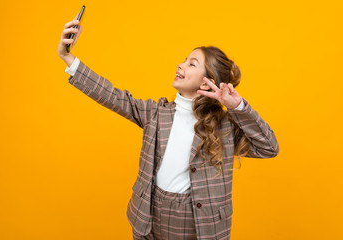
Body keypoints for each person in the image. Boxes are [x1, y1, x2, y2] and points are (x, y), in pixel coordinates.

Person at [58, 15, 280, 240]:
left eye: (191, 63)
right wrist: (68, 58)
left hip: (201, 225)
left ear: (206, 82)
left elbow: (268, 147)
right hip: (150, 218)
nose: (180, 65)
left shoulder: (224, 126)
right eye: (184, 60)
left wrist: (238, 107)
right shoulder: (156, 113)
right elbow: (112, 96)